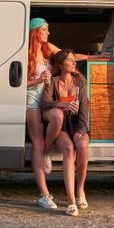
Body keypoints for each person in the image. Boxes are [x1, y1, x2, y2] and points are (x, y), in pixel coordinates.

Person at [25, 18, 100, 210]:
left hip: (49, 96)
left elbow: (68, 57)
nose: (48, 33)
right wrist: (39, 80)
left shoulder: (47, 48)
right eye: (44, 30)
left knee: (58, 116)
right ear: (35, 32)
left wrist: (92, 57)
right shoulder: (26, 53)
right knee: (37, 142)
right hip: (33, 98)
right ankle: (44, 194)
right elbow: (18, 83)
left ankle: (47, 150)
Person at [41, 48, 91, 216]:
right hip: (61, 126)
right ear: (61, 64)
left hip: (77, 123)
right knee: (69, 149)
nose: (74, 62)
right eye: (70, 60)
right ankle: (71, 202)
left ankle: (80, 190)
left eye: (73, 60)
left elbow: (84, 106)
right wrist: (60, 104)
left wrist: (82, 128)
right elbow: (44, 104)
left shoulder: (79, 80)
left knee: (82, 145)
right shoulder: (52, 81)